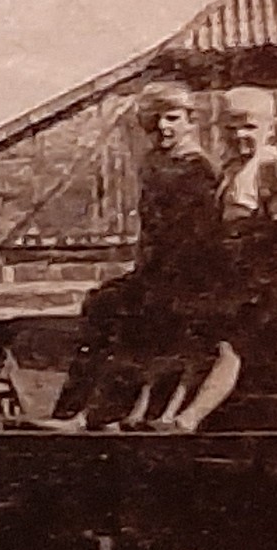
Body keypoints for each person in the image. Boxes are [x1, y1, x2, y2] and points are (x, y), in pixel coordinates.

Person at [151, 85, 277, 434]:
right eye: (231, 128)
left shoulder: (272, 165)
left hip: (261, 273)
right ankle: (167, 415)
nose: (240, 135)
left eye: (249, 127)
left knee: (230, 345)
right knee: (200, 342)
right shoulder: (230, 168)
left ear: (271, 128)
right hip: (231, 268)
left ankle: (190, 418)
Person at [39, 81, 223, 431]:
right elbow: (151, 231)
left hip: (188, 276)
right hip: (154, 270)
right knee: (101, 303)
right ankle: (74, 412)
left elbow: (199, 237)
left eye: (172, 118)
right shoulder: (153, 162)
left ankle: (97, 415)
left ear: (190, 121)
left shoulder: (198, 169)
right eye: (154, 120)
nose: (163, 127)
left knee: (133, 320)